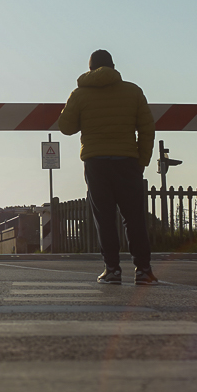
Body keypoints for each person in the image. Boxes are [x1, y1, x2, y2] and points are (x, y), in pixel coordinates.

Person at [58, 49, 158, 285]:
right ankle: (143, 270)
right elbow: (146, 128)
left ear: (90, 69)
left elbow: (66, 126)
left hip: (96, 162)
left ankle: (112, 270)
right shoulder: (133, 91)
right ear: (113, 66)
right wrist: (142, 160)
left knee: (104, 217)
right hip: (127, 161)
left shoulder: (80, 94)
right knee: (133, 217)